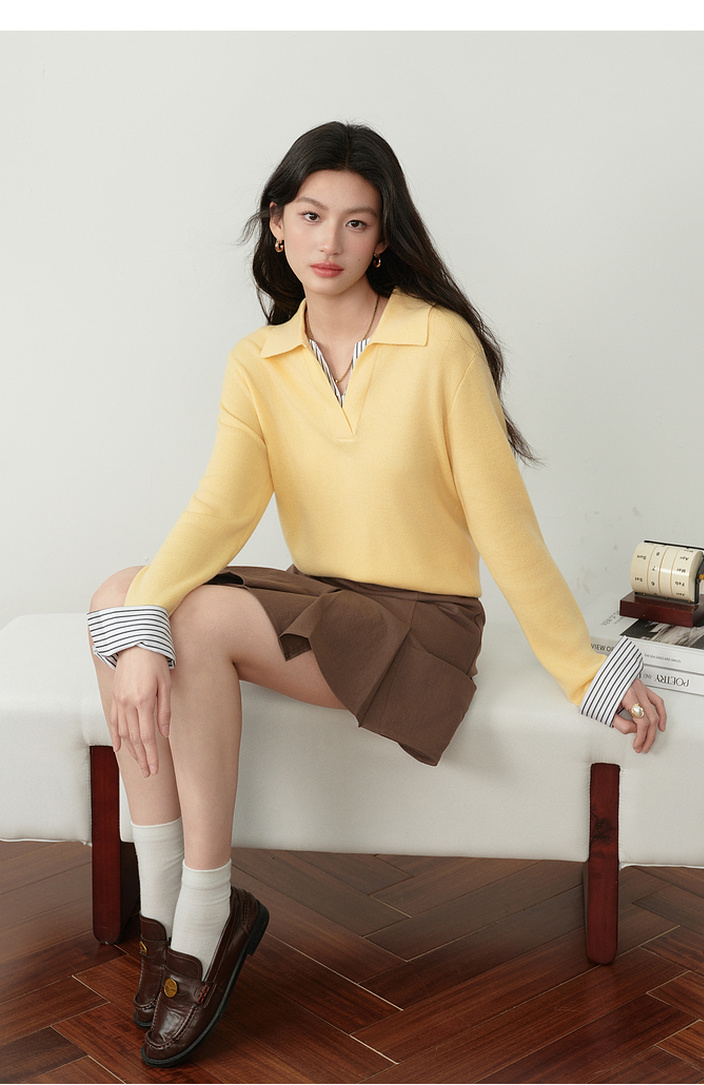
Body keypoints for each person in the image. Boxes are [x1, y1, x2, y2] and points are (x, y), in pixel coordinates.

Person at [88, 120, 666, 1068]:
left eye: (356, 223)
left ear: (383, 237)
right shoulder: (258, 361)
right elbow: (223, 508)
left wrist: (584, 670)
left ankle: (208, 910)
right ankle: (166, 919)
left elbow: (505, 525)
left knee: (185, 614)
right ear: (278, 222)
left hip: (422, 627)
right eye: (312, 216)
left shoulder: (440, 345)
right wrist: (139, 620)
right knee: (121, 594)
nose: (331, 242)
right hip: (327, 601)